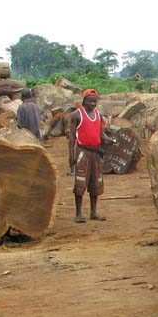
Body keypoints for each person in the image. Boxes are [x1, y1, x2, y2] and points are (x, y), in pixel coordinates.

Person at [67, 89, 107, 223]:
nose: (93, 104)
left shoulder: (98, 115)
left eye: (95, 101)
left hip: (96, 153)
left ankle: (93, 212)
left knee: (95, 183)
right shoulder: (77, 115)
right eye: (90, 101)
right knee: (80, 182)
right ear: (84, 101)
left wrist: (109, 140)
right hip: (83, 152)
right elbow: (72, 137)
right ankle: (78, 213)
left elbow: (101, 134)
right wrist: (71, 155)